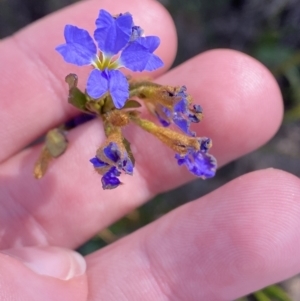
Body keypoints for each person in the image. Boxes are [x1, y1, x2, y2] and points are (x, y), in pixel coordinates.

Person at [0, 0, 299, 300]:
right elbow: (101, 95)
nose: (105, 62)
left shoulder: (117, 80)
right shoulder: (103, 73)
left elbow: (116, 99)